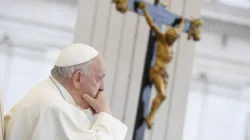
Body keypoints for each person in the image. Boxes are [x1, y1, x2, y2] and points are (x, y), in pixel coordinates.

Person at [4, 44, 128, 140]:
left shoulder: (47, 93)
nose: (102, 87)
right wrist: (105, 114)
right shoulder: (57, 109)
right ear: (78, 78)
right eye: (99, 79)